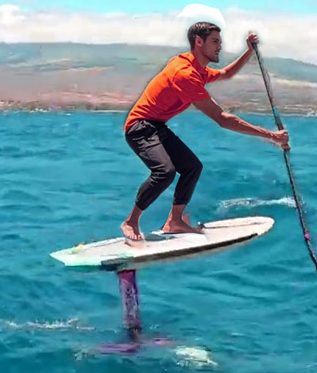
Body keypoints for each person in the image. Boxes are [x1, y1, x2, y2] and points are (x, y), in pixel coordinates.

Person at [120, 21, 289, 244]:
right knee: (165, 172)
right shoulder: (184, 74)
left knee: (192, 167)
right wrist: (271, 136)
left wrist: (249, 51)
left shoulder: (196, 68)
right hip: (139, 127)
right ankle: (131, 221)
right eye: (215, 42)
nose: (220, 46)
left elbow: (226, 73)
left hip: (156, 125)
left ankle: (174, 221)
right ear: (198, 42)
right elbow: (222, 119)